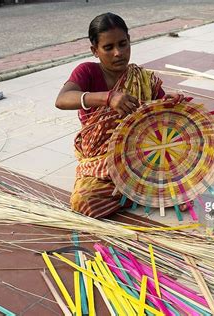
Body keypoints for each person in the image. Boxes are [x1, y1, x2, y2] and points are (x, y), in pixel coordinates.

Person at [55, 12, 185, 218]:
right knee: (83, 202)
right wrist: (107, 97)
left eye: (123, 44)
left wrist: (171, 106)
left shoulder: (143, 79)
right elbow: (62, 99)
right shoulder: (87, 71)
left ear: (130, 41)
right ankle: (141, 191)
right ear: (95, 50)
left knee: (185, 174)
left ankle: (136, 189)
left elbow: (160, 123)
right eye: (108, 48)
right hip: (103, 161)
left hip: (139, 157)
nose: (118, 53)